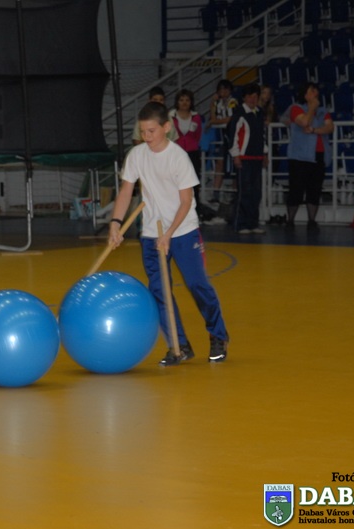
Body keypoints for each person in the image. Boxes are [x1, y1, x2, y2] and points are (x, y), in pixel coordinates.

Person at [109, 101, 229, 366]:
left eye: (151, 131)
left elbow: (186, 201)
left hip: (183, 231)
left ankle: (218, 335)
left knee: (197, 285)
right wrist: (116, 222)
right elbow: (126, 191)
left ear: (166, 127)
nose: (146, 136)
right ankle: (178, 345)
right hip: (152, 233)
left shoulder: (178, 157)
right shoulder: (136, 156)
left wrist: (170, 233)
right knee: (159, 291)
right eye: (142, 131)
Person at [285, 81, 334, 230]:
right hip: (299, 156)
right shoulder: (295, 108)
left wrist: (314, 130)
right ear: (305, 95)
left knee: (315, 189)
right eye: (312, 91)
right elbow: (304, 121)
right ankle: (290, 220)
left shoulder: (323, 111)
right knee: (296, 189)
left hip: (318, 154)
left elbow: (330, 127)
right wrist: (312, 108)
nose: (315, 93)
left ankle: (312, 220)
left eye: (316, 90)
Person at [227, 83, 268, 234]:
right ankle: (240, 224)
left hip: (256, 157)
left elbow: (262, 135)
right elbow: (233, 135)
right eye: (250, 96)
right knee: (244, 192)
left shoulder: (259, 112)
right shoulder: (239, 113)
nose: (252, 99)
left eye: (255, 96)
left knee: (256, 192)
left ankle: (253, 223)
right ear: (244, 97)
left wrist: (264, 153)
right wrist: (236, 155)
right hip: (244, 158)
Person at [171, 88, 205, 217]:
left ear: (191, 102)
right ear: (177, 102)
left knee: (193, 183)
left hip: (192, 153)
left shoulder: (196, 117)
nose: (184, 103)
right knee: (175, 183)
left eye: (187, 100)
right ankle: (176, 212)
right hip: (176, 153)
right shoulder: (171, 116)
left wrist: (192, 145)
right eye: (181, 100)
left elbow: (198, 135)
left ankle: (195, 213)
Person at [207, 79, 238, 204]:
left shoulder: (233, 102)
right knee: (219, 163)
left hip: (232, 136)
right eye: (220, 89)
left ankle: (235, 193)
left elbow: (231, 119)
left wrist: (214, 122)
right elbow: (213, 117)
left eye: (225, 89)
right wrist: (212, 103)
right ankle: (216, 194)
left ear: (230, 90)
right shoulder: (217, 103)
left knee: (235, 164)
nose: (223, 91)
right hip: (220, 136)